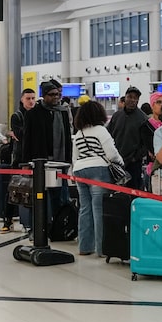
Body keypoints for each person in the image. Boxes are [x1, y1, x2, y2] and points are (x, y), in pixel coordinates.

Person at [72, 100, 123, 257]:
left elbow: (75, 157)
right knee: (99, 209)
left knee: (85, 209)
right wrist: (121, 163)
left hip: (79, 170)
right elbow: (112, 153)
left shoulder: (79, 133)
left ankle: (85, 246)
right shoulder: (101, 130)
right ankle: (102, 248)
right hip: (98, 170)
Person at [22, 79, 74, 230]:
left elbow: (67, 137)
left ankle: (58, 226)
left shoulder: (63, 112)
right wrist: (26, 162)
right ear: (44, 96)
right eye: (52, 95)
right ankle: (37, 228)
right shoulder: (33, 114)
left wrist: (68, 159)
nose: (56, 97)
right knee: (40, 196)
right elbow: (27, 139)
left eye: (57, 94)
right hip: (40, 162)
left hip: (60, 162)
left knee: (60, 196)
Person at [0, 88, 37, 234]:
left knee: (33, 191)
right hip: (19, 159)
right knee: (13, 189)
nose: (31, 101)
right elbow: (21, 134)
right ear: (22, 99)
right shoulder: (17, 116)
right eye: (28, 98)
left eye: (33, 98)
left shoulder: (37, 114)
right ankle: (7, 220)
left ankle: (31, 223)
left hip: (34, 158)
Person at [106, 86, 147, 190]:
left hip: (133, 164)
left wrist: (135, 158)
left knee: (133, 191)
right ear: (125, 98)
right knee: (115, 192)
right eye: (130, 97)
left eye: (135, 98)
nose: (132, 100)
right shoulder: (117, 116)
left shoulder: (143, 118)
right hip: (115, 162)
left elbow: (145, 143)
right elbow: (108, 135)